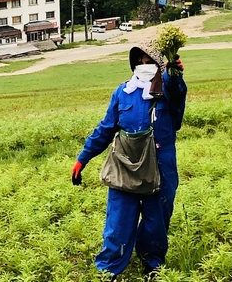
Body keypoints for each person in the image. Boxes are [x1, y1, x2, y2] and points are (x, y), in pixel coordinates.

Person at [71, 41, 187, 280]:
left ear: (159, 66)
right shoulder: (123, 93)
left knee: (156, 221)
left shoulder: (167, 93)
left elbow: (178, 93)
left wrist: (174, 74)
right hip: (125, 164)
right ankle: (108, 270)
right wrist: (83, 158)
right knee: (118, 219)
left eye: (149, 62)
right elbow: (105, 128)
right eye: (139, 62)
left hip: (161, 165)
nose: (143, 66)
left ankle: (152, 266)